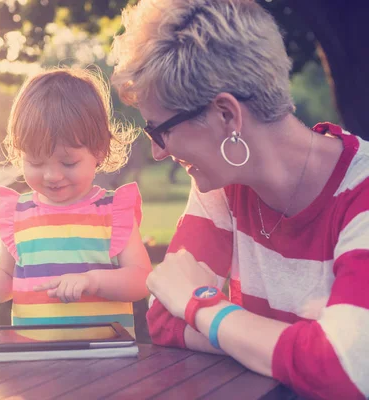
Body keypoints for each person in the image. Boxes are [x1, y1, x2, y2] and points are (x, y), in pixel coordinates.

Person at [111, 0, 368, 399]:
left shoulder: (362, 193)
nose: (159, 152)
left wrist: (203, 307)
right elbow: (163, 317)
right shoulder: (223, 187)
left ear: (227, 116)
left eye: (160, 130)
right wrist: (297, 342)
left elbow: (345, 370)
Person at [0, 68, 152, 338]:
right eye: (35, 162)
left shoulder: (113, 212)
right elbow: (7, 278)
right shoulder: (17, 214)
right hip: (35, 359)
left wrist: (92, 281)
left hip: (106, 358)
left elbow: (141, 280)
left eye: (68, 162)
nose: (52, 176)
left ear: (99, 150)